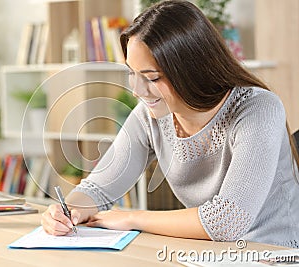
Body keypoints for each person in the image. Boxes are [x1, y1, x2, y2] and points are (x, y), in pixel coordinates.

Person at [41, 0, 299, 248]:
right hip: (208, 253)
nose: (137, 90)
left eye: (152, 78)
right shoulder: (151, 115)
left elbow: (228, 220)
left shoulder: (257, 108)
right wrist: (67, 213)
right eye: (132, 74)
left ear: (191, 70)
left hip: (272, 252)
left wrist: (133, 218)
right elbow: (98, 188)